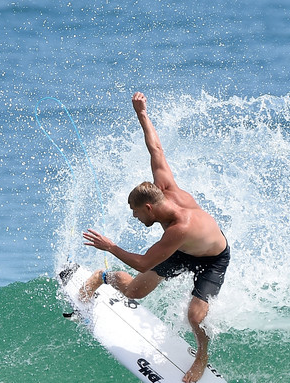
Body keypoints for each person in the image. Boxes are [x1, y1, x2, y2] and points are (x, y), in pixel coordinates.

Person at [79, 92, 230, 383]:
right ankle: (104, 277)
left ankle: (201, 355)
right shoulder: (163, 187)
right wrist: (142, 114)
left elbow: (144, 261)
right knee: (135, 291)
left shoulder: (179, 228)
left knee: (195, 316)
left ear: (149, 207)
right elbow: (156, 149)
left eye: (136, 213)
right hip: (186, 250)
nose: (136, 218)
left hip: (213, 258)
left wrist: (110, 246)